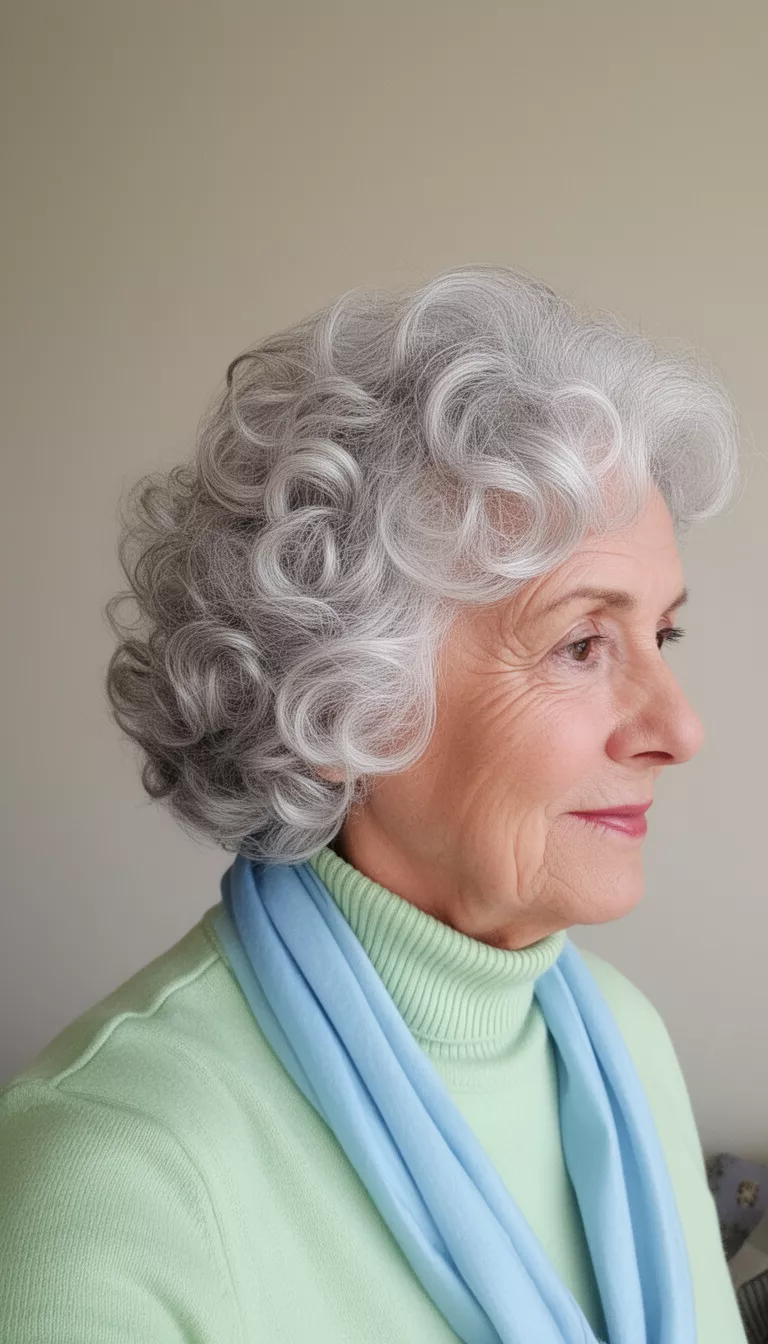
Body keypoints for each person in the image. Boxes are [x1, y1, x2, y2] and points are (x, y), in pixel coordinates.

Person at [0, 265, 748, 1342]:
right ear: (344, 702)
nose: (678, 729)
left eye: (660, 635)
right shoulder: (110, 1179)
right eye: (582, 643)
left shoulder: (624, 1046)